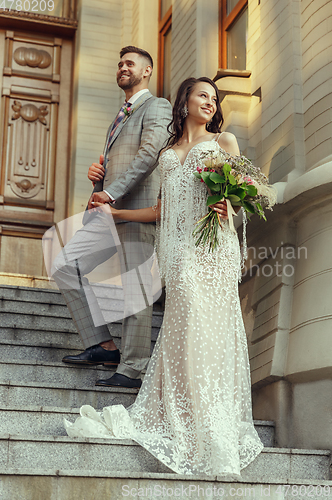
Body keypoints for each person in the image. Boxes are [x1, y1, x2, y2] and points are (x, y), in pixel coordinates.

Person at [64, 77, 264, 477]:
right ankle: (185, 412)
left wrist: (229, 204)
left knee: (204, 325)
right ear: (185, 100)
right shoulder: (167, 153)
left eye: (214, 98)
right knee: (185, 325)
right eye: (202, 95)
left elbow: (250, 193)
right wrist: (115, 214)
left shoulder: (224, 142)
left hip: (210, 250)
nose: (209, 102)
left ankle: (208, 419)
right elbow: (161, 209)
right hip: (174, 251)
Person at [52, 46, 172, 389]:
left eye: (129, 63)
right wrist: (98, 178)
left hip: (137, 212)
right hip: (108, 211)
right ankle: (103, 345)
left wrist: (111, 191)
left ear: (146, 71)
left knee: (136, 289)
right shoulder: (118, 117)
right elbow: (120, 162)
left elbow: (149, 154)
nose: (122, 67)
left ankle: (133, 369)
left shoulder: (157, 106)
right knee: (66, 263)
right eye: (119, 63)